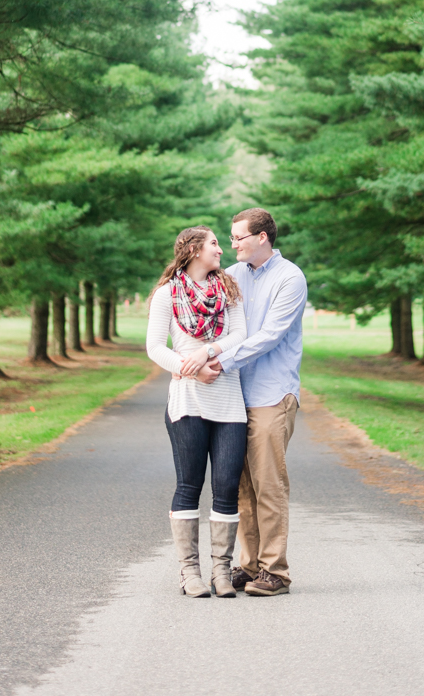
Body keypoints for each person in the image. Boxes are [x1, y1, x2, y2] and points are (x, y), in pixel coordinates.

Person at [196, 207, 307, 596]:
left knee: (268, 483)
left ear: (262, 237)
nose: (232, 245)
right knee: (240, 484)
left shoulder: (290, 278)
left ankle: (276, 571)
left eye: (238, 237)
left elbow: (269, 336)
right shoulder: (234, 276)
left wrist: (218, 361)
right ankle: (250, 564)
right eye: (229, 238)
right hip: (233, 395)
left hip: (271, 395)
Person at [146, 226, 248, 598]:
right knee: (189, 486)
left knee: (225, 489)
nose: (221, 249)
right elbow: (155, 347)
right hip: (187, 400)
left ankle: (221, 572)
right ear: (193, 250)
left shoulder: (227, 291)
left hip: (228, 400)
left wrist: (207, 354)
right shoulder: (166, 294)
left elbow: (239, 335)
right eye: (214, 244)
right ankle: (189, 573)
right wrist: (190, 368)